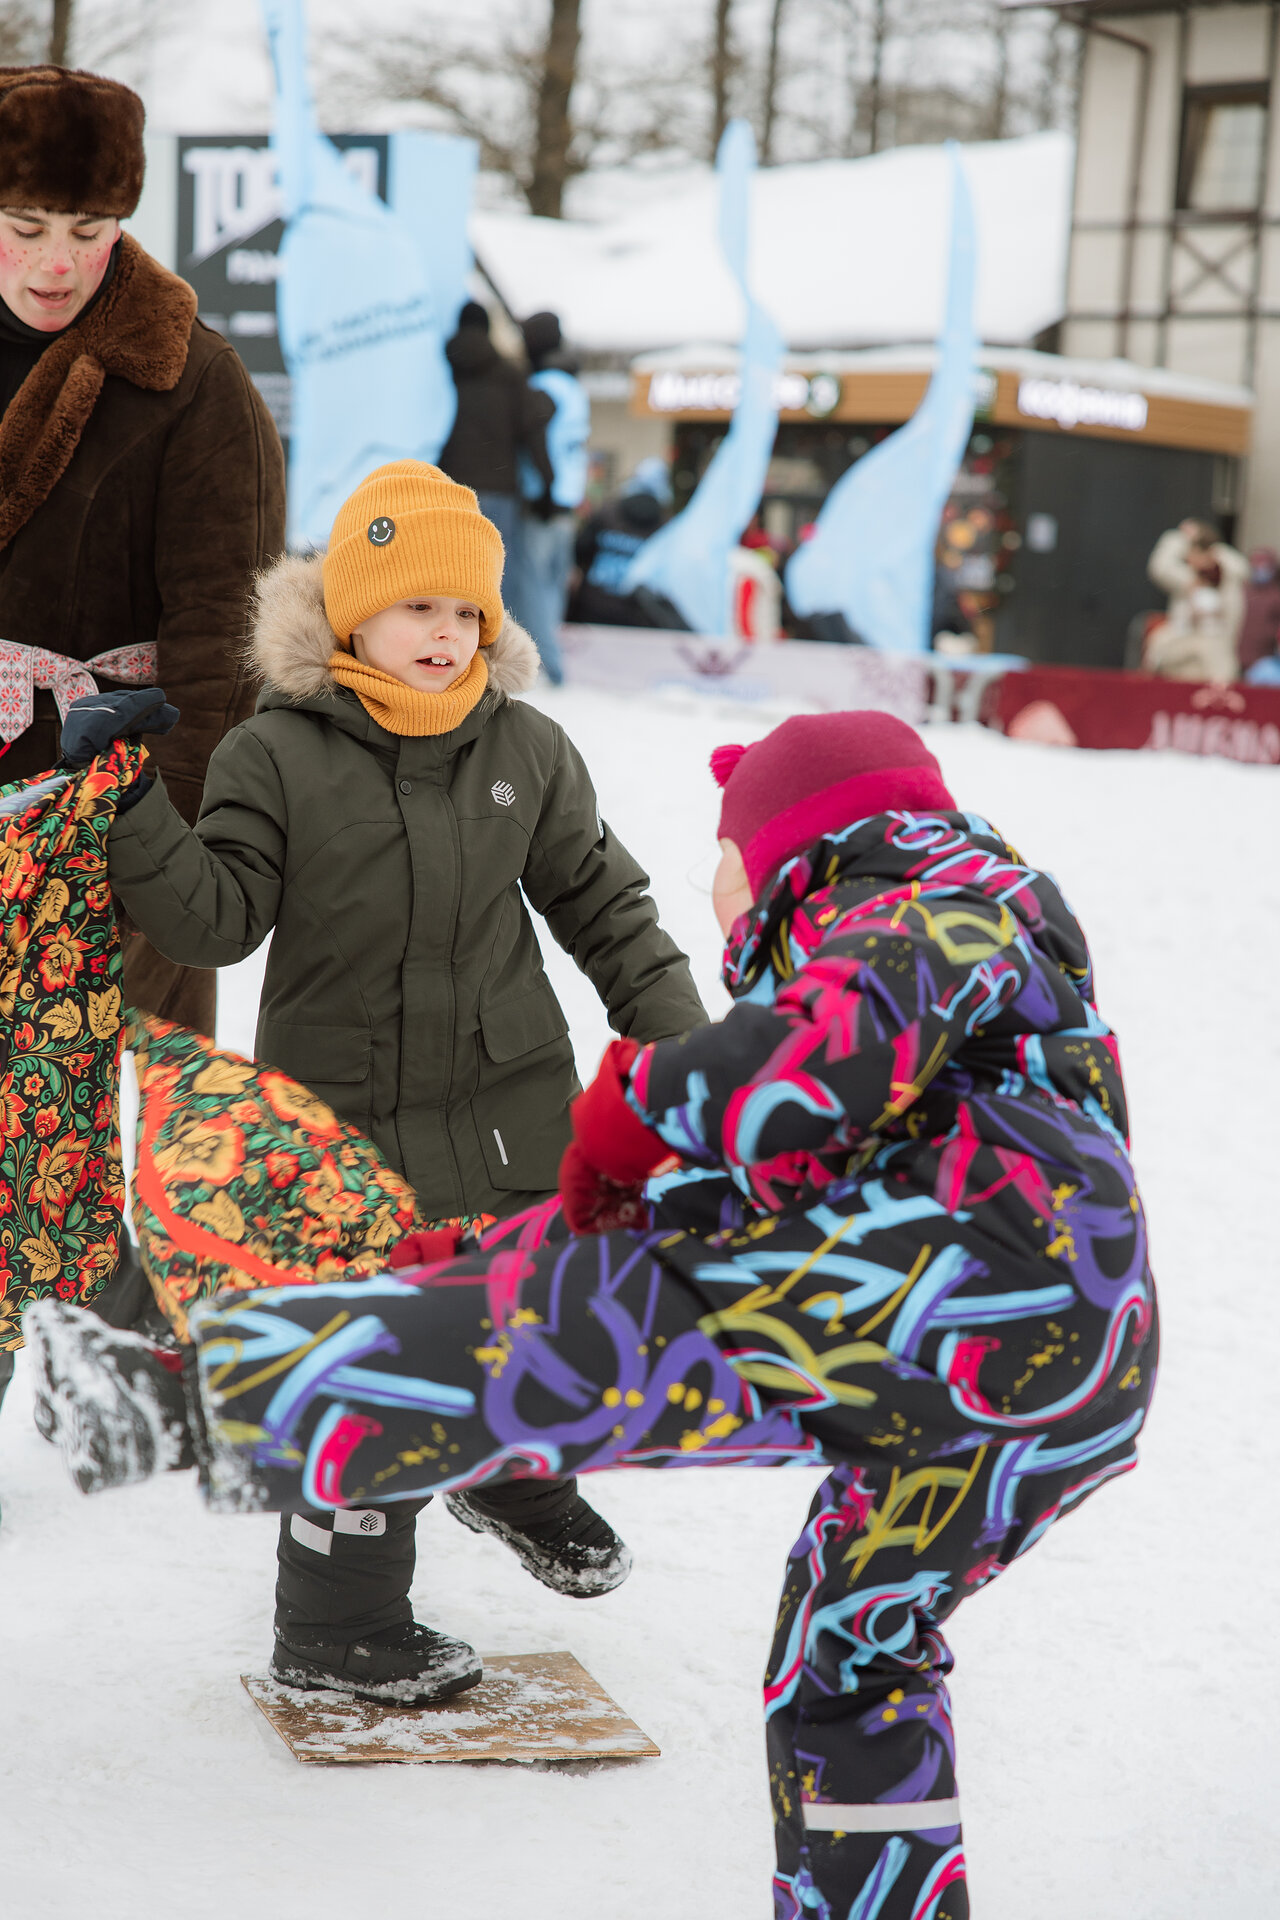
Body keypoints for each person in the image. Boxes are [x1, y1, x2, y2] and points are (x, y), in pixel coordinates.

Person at [31, 709, 1156, 1919]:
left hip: (965, 1300)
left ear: (793, 842)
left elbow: (799, 1069)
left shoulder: (936, 909)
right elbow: (723, 1195)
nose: (713, 886)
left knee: (573, 1333)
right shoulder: (959, 982)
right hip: (1047, 1390)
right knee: (848, 1661)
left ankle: (184, 1399)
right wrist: (471, 1256)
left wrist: (645, 1100)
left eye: (722, 851)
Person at [47, 460, 708, 1706]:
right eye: (416, 607)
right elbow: (213, 922)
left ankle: (510, 1474)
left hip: (508, 1114)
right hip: (344, 1131)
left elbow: (606, 910)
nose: (445, 633)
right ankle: (337, 1627)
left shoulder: (525, 749)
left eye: (465, 611)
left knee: (530, 1317)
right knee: (374, 1372)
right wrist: (131, 801)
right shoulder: (275, 753)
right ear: (352, 616)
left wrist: (683, 1050)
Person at [0, 64, 286, 1040]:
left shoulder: (196, 382)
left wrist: (164, 856)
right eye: (26, 226)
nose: (57, 265)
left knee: (94, 1097)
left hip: (112, 807)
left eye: (89, 232)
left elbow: (226, 641)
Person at [437, 300, 553, 593]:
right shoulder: (509, 374)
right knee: (497, 576)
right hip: (499, 488)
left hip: (449, 488)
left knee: (450, 573)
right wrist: (547, 482)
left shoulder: (442, 370)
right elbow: (532, 430)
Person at [509, 310, 590, 687]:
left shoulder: (542, 386)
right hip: (567, 501)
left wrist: (544, 485)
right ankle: (554, 662)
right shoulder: (574, 386)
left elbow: (537, 440)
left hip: (541, 499)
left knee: (532, 586)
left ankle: (546, 667)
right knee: (553, 586)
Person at [567, 456, 679, 627]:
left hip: (592, 609)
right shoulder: (667, 527)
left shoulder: (607, 512)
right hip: (638, 619)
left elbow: (579, 552)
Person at [1145, 518, 1248, 681]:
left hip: (1212, 657)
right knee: (1158, 642)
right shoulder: (1186, 578)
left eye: (1194, 550)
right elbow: (1160, 566)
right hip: (1181, 653)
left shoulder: (1228, 581)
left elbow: (1242, 568)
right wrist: (1181, 537)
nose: (1189, 557)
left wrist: (1210, 545)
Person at [1238, 546, 1280, 680]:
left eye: (1264, 565)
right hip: (1237, 657)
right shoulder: (1242, 592)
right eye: (1256, 564)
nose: (1260, 568)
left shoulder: (1276, 596)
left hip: (1265, 660)